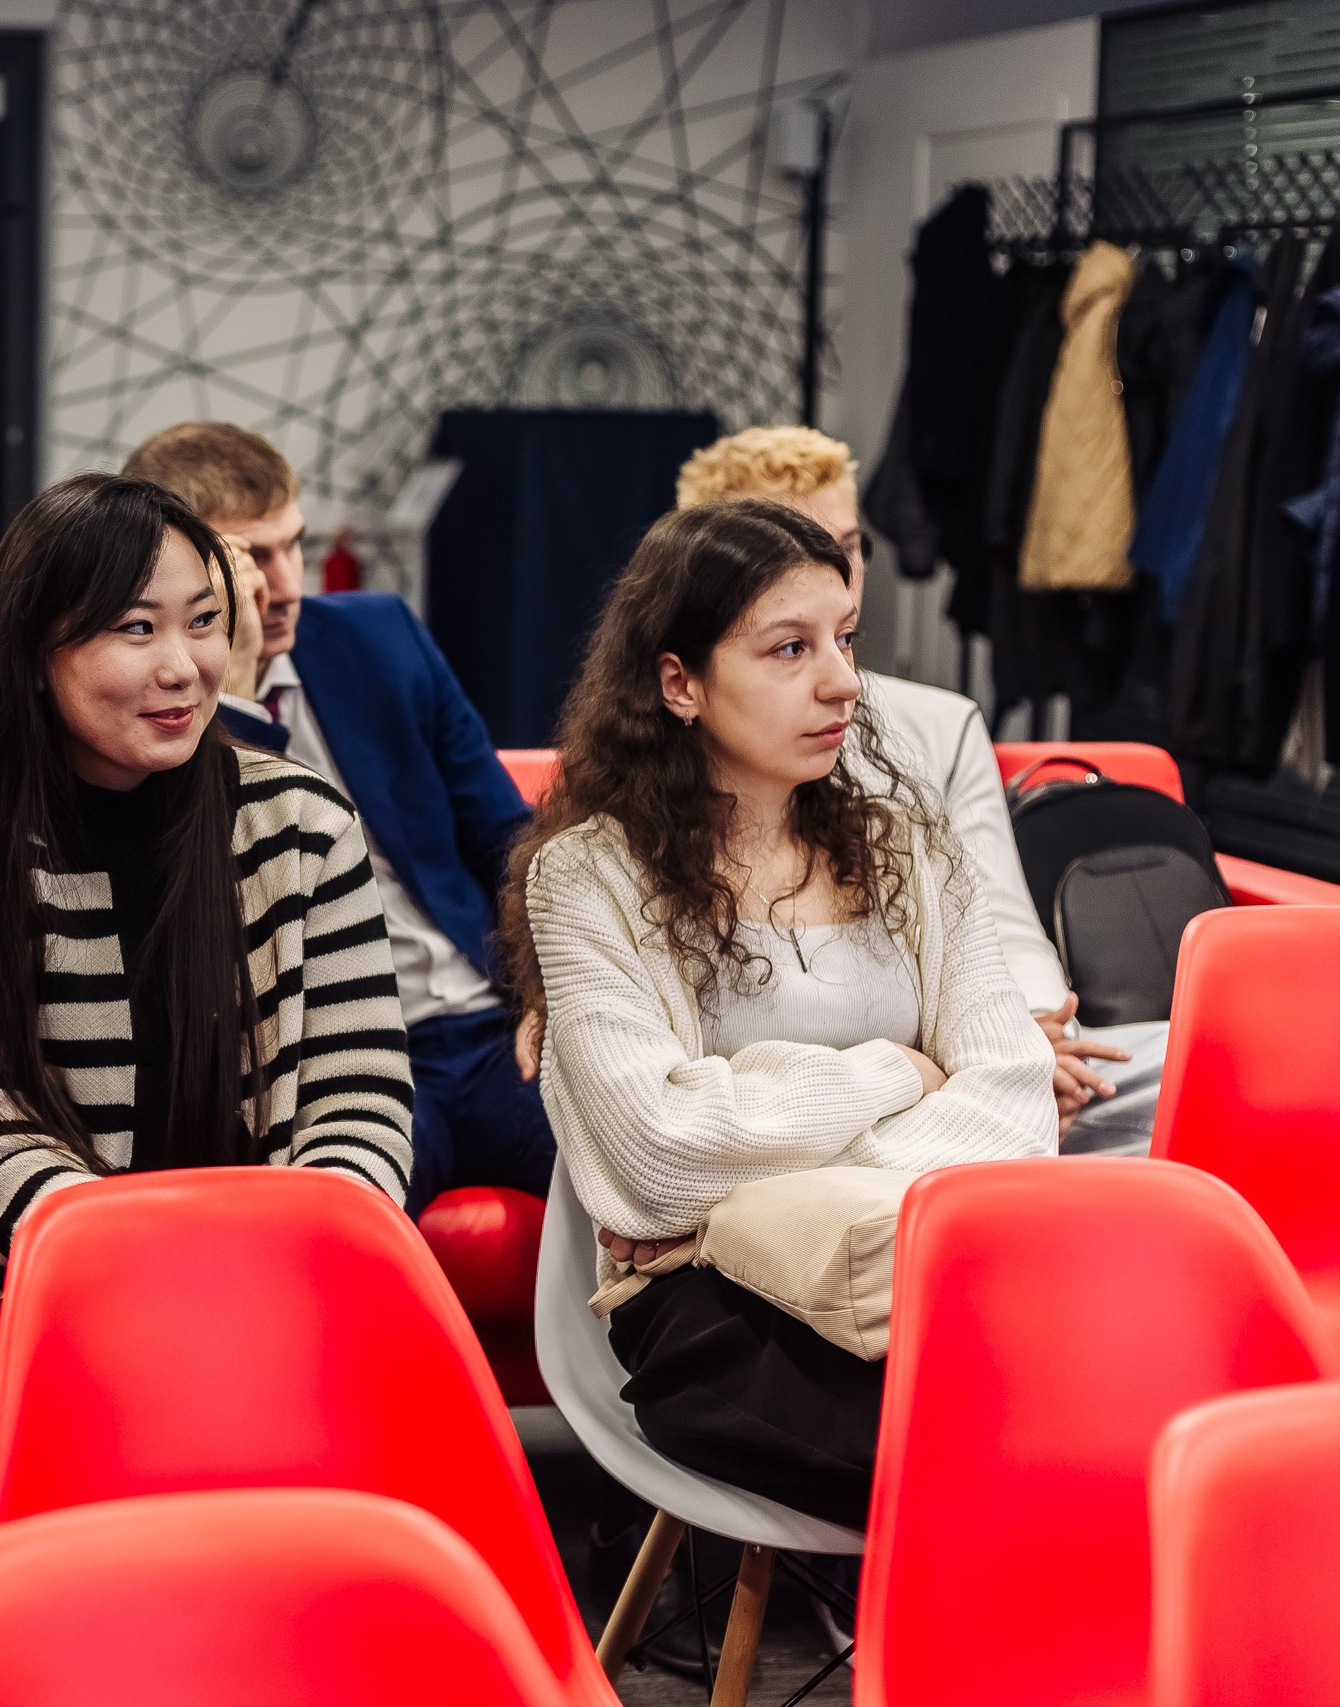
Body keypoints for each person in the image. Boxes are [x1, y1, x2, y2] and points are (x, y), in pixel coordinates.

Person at [504, 499, 1054, 1527]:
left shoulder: (909, 847)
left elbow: (1019, 1111)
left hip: (918, 1270)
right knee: (999, 1463)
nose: (843, 681)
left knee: (1094, 1411)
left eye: (845, 639)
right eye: (790, 648)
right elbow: (655, 1158)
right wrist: (898, 1071)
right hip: (713, 1310)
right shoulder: (587, 877)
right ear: (679, 683)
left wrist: (734, 1187)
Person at [0, 472, 415, 1440]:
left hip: (283, 1289)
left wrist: (290, 1264)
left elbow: (360, 1096)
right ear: (37, 652)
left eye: (203, 622)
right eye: (136, 628)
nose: (183, 666)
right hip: (52, 1302)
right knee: (183, 1433)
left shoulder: (303, 826)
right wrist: (140, 1270)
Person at [673, 426, 1152, 1149]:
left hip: (966, 1052)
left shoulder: (938, 728)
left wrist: (1035, 1036)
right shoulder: (640, 786)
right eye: (799, 551)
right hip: (834, 1097)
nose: (838, 576)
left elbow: (999, 924)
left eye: (848, 547)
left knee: (1197, 1070)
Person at [122, 423, 543, 1213]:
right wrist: (231, 681)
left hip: (483, 1026)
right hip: (323, 1060)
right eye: (252, 559)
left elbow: (509, 839)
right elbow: (202, 894)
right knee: (341, 1225)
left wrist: (556, 991)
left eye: (296, 545)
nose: (287, 585)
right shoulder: (147, 705)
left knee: (647, 1171)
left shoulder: (377, 636)